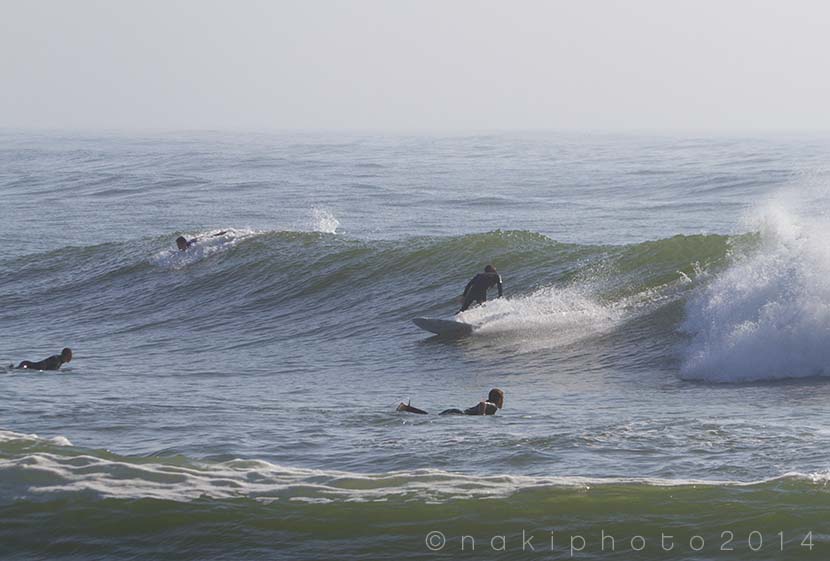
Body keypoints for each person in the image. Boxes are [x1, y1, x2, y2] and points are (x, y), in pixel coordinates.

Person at [396, 388, 505, 416]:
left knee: (429, 415)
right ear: (498, 399)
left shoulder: (491, 405)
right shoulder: (493, 406)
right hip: (458, 413)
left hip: (456, 411)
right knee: (429, 416)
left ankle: (406, 408)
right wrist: (482, 416)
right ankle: (406, 408)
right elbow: (482, 404)